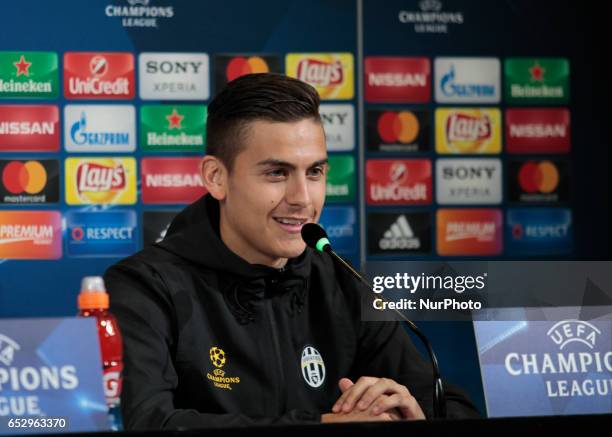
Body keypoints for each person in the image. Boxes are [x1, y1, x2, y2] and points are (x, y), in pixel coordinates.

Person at [104, 73, 480, 429]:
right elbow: (148, 422)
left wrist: (416, 416)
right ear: (216, 177)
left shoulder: (341, 281)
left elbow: (457, 409)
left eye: (314, 172)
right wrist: (323, 427)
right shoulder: (143, 286)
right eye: (277, 173)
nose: (303, 199)